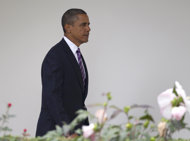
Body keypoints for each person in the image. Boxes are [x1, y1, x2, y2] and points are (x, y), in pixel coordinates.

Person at [36, 8, 91, 137]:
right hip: (57, 133)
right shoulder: (55, 56)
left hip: (76, 132)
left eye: (88, 25)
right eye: (83, 25)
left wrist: (87, 131)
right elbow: (52, 99)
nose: (88, 29)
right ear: (68, 28)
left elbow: (78, 102)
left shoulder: (76, 55)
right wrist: (68, 131)